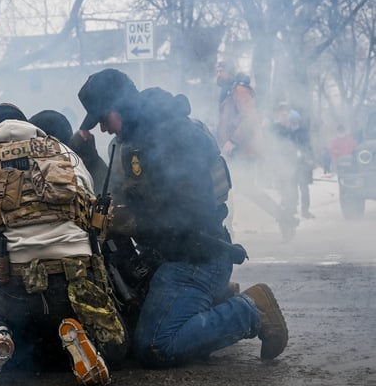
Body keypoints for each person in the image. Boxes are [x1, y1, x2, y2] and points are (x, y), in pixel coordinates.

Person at [77, 69, 288, 368]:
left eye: (103, 118)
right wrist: (89, 158)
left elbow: (189, 214)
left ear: (120, 106)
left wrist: (131, 222)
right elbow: (115, 196)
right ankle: (213, 301)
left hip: (196, 258)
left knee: (155, 345)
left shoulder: (174, 136)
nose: (102, 129)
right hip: (165, 257)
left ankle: (252, 310)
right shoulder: (130, 141)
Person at [0, 104, 126, 386]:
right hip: (77, 281)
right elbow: (93, 216)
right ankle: (85, 338)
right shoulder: (67, 154)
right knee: (104, 330)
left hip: (13, 290)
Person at [215, 61, 298, 240]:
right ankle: (285, 220)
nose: (218, 74)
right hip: (234, 151)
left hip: (241, 150)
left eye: (221, 70)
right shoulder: (230, 92)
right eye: (217, 70)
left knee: (228, 191)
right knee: (241, 190)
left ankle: (227, 233)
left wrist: (233, 141)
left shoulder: (239, 91)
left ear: (229, 72)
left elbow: (250, 117)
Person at [271, 107, 314, 220]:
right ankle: (292, 208)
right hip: (292, 164)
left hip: (303, 164)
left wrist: (308, 158)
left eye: (294, 120)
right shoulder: (287, 132)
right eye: (291, 120)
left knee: (304, 188)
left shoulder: (303, 132)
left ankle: (305, 210)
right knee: (292, 187)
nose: (293, 123)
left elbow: (307, 147)